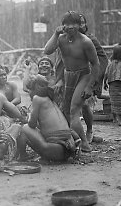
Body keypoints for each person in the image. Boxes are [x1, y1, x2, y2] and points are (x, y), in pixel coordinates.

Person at [44, 11, 100, 152]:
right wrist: (56, 34)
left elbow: (95, 64)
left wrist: (89, 86)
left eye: (74, 24)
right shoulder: (61, 39)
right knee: (66, 112)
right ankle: (75, 140)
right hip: (68, 75)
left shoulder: (86, 42)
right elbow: (47, 50)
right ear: (62, 26)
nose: (70, 27)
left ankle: (85, 143)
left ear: (79, 25)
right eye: (67, 24)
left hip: (83, 75)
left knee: (74, 110)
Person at [54, 13, 109, 143]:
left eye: (83, 23)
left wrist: (94, 82)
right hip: (69, 77)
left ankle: (89, 131)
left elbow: (101, 60)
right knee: (68, 109)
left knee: (84, 106)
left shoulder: (89, 40)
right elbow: (61, 60)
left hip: (88, 76)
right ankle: (74, 137)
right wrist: (60, 79)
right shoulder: (64, 39)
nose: (81, 25)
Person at [18, 75, 78, 162]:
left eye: (29, 90)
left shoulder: (37, 99)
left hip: (55, 151)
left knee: (23, 128)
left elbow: (32, 124)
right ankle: (27, 155)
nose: (29, 93)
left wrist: (28, 116)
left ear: (35, 88)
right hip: (67, 151)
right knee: (30, 131)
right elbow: (43, 126)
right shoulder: (50, 99)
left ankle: (23, 155)